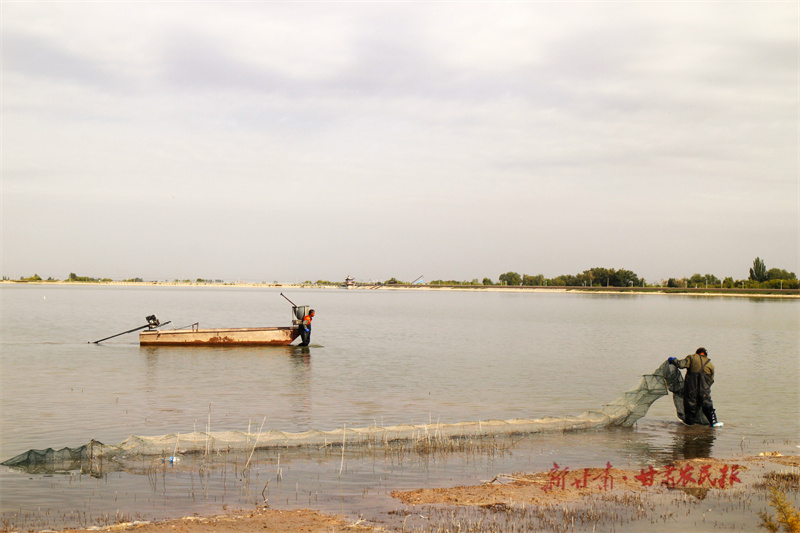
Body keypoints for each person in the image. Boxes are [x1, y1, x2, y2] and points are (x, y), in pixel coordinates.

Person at [669, 347, 721, 427]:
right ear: (705, 355)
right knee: (708, 407)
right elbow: (711, 381)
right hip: (704, 391)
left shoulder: (692, 358)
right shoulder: (710, 365)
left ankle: (690, 428)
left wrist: (673, 360)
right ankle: (714, 424)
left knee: (690, 409)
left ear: (697, 353)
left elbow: (681, 364)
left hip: (691, 389)